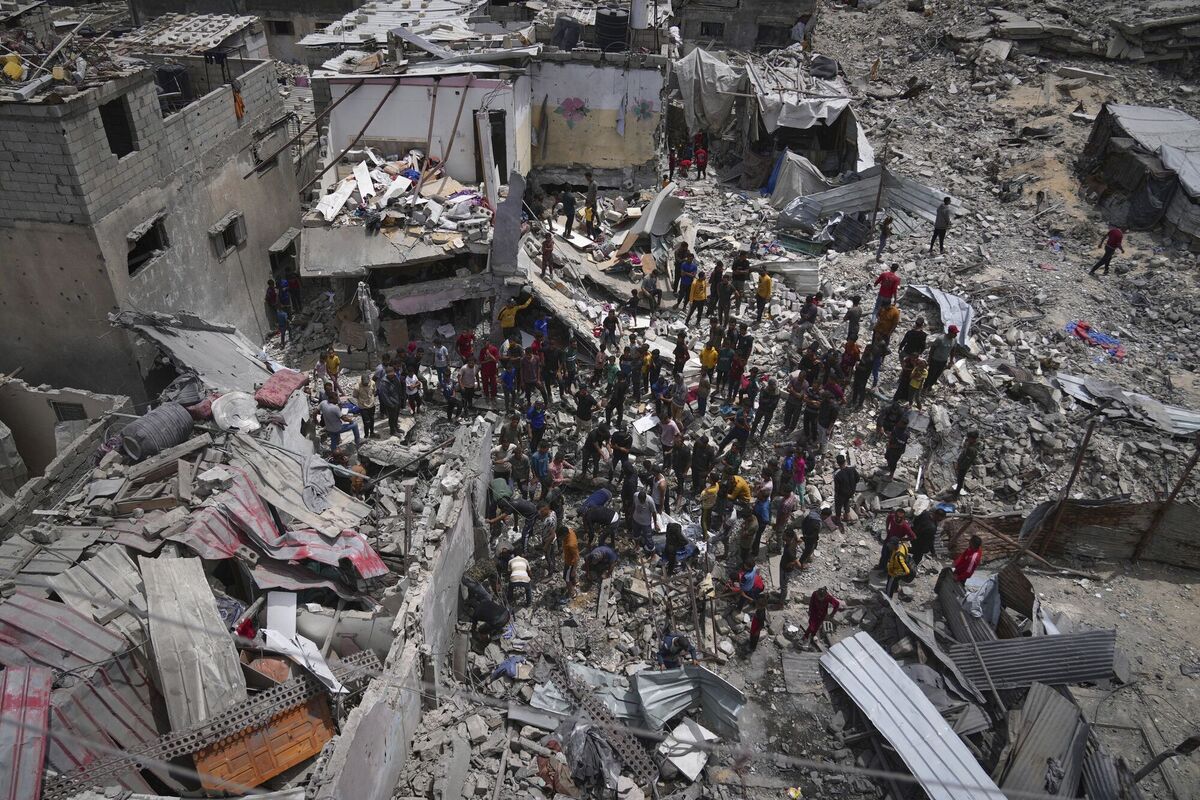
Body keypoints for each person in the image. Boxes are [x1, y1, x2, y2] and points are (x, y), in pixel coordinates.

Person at [319, 383, 361, 451]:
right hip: (337, 428)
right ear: (331, 399)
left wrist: (315, 420)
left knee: (333, 441)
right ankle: (358, 442)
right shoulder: (335, 408)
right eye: (336, 399)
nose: (337, 400)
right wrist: (351, 420)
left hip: (329, 428)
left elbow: (315, 412)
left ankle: (333, 451)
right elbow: (344, 419)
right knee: (355, 425)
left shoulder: (323, 403)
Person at [832, 455, 858, 531]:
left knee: (838, 505)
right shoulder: (852, 470)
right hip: (851, 492)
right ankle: (847, 517)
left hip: (842, 494)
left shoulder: (838, 475)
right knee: (846, 502)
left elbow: (837, 489)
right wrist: (852, 485)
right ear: (845, 461)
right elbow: (857, 478)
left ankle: (838, 519)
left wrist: (836, 496)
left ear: (838, 463)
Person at [377, 365, 404, 436]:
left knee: (396, 416)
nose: (392, 376)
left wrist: (401, 398)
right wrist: (390, 404)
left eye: (393, 374)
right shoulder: (384, 383)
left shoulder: (395, 377)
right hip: (391, 404)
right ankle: (392, 431)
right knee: (392, 418)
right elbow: (384, 396)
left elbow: (399, 387)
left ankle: (396, 427)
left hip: (397, 401)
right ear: (387, 374)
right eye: (390, 375)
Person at [953, 430, 980, 496]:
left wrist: (959, 466)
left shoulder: (972, 449)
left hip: (963, 467)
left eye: (969, 438)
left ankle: (956, 494)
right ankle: (957, 491)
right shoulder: (971, 444)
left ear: (973, 439)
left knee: (960, 479)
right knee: (959, 479)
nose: (968, 439)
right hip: (962, 463)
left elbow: (966, 461)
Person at [354, 374, 377, 438]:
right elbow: (355, 395)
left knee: (372, 420)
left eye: (367, 384)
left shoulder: (373, 383)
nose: (366, 385)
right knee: (366, 422)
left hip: (371, 405)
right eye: (364, 384)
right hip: (363, 407)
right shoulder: (357, 387)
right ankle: (366, 435)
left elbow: (374, 392)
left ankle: (372, 433)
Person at [584, 171, 598, 238]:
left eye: (587, 177)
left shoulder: (594, 183)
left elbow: (595, 194)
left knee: (591, 221)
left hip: (592, 204)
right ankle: (588, 234)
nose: (586, 179)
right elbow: (589, 193)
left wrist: (591, 203)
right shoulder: (589, 183)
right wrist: (587, 201)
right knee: (587, 219)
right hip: (588, 203)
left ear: (589, 177)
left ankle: (594, 236)